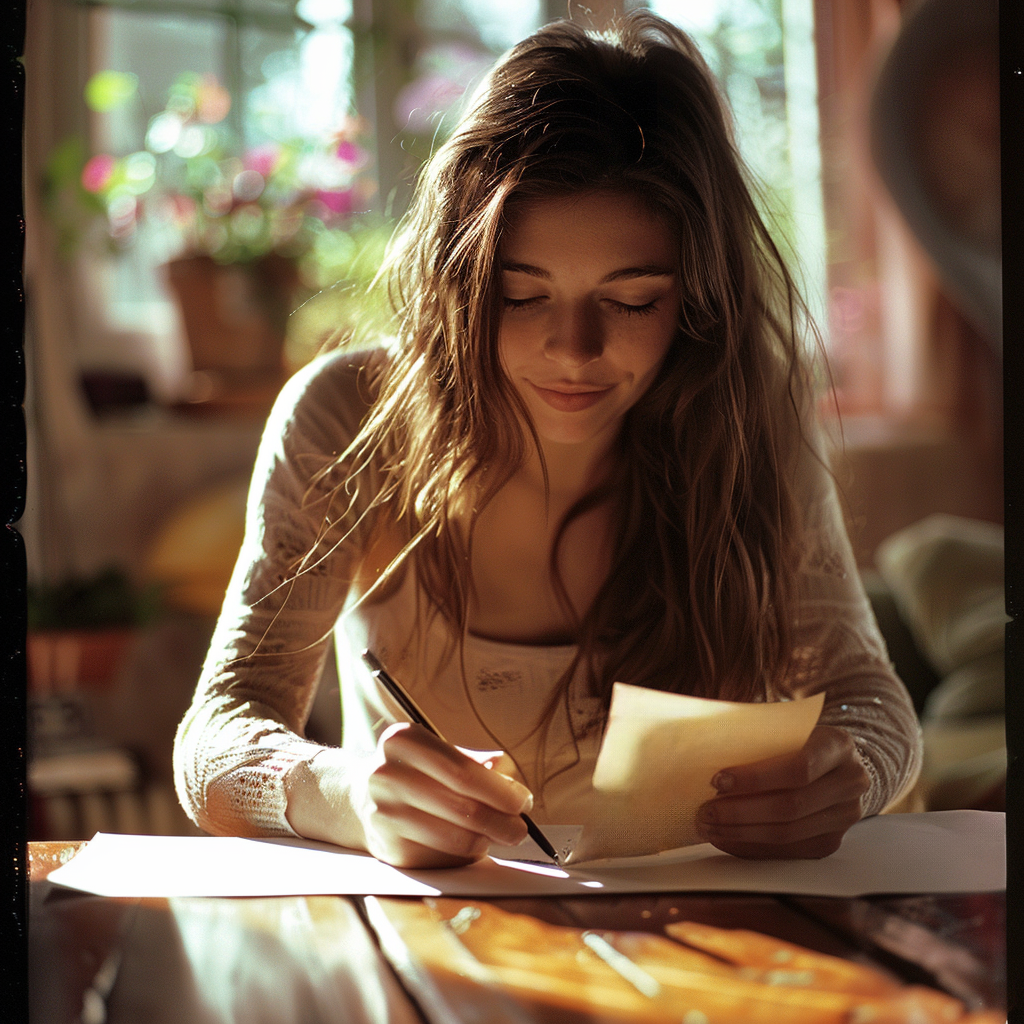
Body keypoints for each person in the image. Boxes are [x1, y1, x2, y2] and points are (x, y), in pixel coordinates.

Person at [173, 12, 922, 869]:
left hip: (704, 952)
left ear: (701, 299)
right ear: (460, 282)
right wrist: (344, 794)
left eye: (633, 300)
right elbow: (219, 735)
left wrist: (849, 772)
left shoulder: (751, 423)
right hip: (439, 961)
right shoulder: (349, 417)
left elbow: (872, 700)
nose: (574, 349)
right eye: (522, 296)